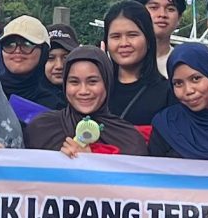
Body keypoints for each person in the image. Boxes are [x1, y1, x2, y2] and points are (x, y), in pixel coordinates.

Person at [22, 48, 154, 156]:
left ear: (107, 83)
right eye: (74, 82)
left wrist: (93, 160)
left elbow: (134, 185)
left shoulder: (129, 139)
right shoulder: (41, 128)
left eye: (92, 82)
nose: (83, 91)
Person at [100, 1, 173, 126]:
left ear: (148, 40)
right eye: (116, 36)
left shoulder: (167, 93)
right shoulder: (97, 90)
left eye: (132, 35)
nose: (124, 43)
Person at [0, 15, 61, 114]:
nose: (17, 51)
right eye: (9, 44)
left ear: (44, 51)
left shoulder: (57, 101)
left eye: (27, 44)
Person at [131, 0, 188, 68]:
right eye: (154, 7)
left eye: (170, 9)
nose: (162, 14)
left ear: (179, 18)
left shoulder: (184, 63)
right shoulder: (122, 62)